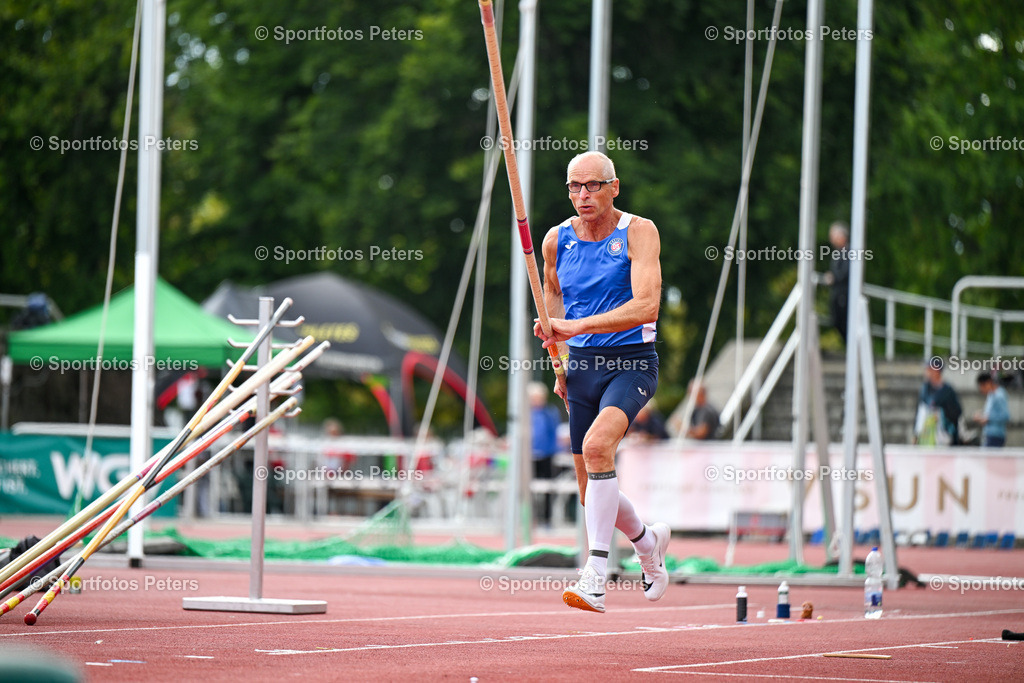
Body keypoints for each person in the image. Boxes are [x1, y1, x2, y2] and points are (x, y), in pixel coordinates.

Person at [534, 151, 670, 613]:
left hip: (631, 362)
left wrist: (575, 326)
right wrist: (557, 353)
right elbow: (552, 298)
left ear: (614, 187)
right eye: (574, 187)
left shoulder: (639, 231)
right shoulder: (556, 240)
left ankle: (595, 573)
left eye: (592, 186)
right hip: (582, 368)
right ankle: (648, 543)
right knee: (591, 490)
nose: (582, 196)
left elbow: (646, 305)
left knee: (597, 449)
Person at [529, 381, 563, 526]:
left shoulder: (549, 412)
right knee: (530, 488)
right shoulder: (527, 413)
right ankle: (532, 517)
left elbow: (553, 432)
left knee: (548, 487)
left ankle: (547, 518)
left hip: (547, 454)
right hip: (530, 455)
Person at [914, 360, 962, 446]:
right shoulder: (925, 388)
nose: (926, 372)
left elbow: (956, 413)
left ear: (937, 371)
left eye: (929, 369)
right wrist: (916, 434)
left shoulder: (947, 390)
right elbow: (920, 412)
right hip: (927, 436)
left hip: (944, 438)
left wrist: (941, 415)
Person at [822, 221, 850, 343]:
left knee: (843, 322)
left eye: (833, 235)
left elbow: (846, 273)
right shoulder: (839, 252)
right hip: (839, 294)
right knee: (837, 321)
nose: (831, 239)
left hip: (844, 294)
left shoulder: (849, 252)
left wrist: (834, 277)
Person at [975, 372, 1010, 447]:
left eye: (982, 386)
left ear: (988, 383)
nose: (982, 390)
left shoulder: (999, 395)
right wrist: (982, 416)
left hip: (996, 436)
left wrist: (988, 419)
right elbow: (991, 413)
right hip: (989, 435)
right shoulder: (991, 395)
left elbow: (1005, 415)